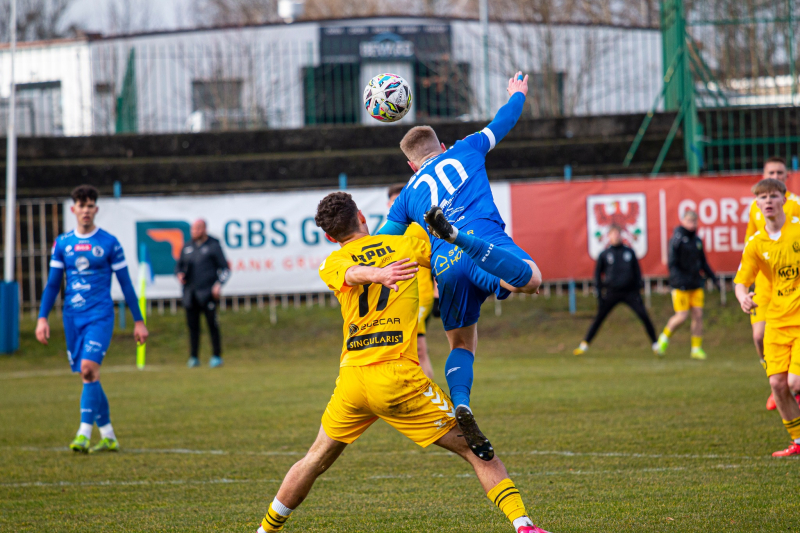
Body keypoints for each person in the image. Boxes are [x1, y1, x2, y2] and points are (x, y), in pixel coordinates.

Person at [254, 192, 550, 533]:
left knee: (315, 458)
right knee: (477, 451)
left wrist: (370, 274)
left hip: (353, 381)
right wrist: (503, 278)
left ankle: (265, 530)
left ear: (329, 237)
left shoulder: (331, 261)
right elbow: (457, 258)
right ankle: (524, 525)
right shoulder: (406, 245)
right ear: (362, 216)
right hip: (396, 378)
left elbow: (348, 273)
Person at [377, 72, 542, 459]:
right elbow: (505, 119)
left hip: (445, 267)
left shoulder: (407, 195)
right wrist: (517, 93)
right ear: (443, 146)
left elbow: (380, 242)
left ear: (410, 166)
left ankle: (462, 402)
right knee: (531, 279)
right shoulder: (466, 149)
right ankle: (460, 236)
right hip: (481, 241)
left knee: (462, 343)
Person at [35, 185, 148, 453]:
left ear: (96, 209)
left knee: (88, 369)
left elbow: (126, 285)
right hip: (73, 316)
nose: (85, 210)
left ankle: (83, 433)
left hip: (100, 315)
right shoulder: (62, 243)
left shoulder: (109, 242)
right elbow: (53, 285)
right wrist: (42, 318)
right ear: (73, 209)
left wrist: (138, 321)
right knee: (90, 375)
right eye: (81, 205)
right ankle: (108, 435)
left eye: (90, 206)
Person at [734, 178, 800, 457]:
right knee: (777, 384)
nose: (768, 202)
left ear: (784, 199)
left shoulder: (798, 231)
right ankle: (798, 441)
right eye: (762, 198)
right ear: (757, 205)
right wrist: (742, 297)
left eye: (773, 196)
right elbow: (741, 280)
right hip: (776, 318)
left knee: (795, 383)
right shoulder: (756, 243)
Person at [744, 157, 800, 410]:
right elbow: (751, 245)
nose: (775, 175)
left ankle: (789, 384)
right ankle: (775, 382)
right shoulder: (755, 209)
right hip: (765, 287)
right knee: (758, 336)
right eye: (771, 172)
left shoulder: (795, 205)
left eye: (780, 172)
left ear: (787, 177)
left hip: (789, 287)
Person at [573, 224, 658, 356]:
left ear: (621, 235)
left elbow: (637, 273)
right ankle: (584, 345)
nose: (616, 236)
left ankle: (655, 344)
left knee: (644, 315)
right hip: (612, 292)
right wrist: (600, 294)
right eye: (613, 234)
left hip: (630, 293)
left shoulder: (629, 252)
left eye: (618, 234)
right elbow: (597, 275)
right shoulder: (605, 254)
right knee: (599, 318)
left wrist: (637, 289)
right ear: (609, 236)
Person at [655, 210, 718, 359]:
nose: (692, 224)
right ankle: (663, 338)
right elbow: (672, 263)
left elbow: (703, 262)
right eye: (689, 220)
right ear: (683, 221)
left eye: (694, 221)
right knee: (682, 316)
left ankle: (696, 349)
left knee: (698, 315)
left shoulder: (697, 240)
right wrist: (677, 279)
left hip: (696, 284)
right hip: (681, 285)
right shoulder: (677, 239)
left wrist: (713, 279)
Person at [387, 183, 435, 379]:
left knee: (418, 349)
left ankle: (429, 396)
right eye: (393, 201)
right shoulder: (388, 229)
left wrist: (437, 290)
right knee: (414, 349)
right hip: (401, 296)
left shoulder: (418, 228)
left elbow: (435, 257)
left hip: (420, 294)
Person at [176, 219, 230, 368]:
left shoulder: (213, 245)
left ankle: (216, 356)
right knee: (193, 327)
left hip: (207, 293)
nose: (194, 232)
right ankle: (193, 357)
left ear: (204, 229)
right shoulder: (187, 246)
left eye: (197, 229)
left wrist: (218, 285)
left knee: (212, 326)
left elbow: (225, 269)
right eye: (193, 230)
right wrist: (179, 274)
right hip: (190, 294)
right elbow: (179, 266)